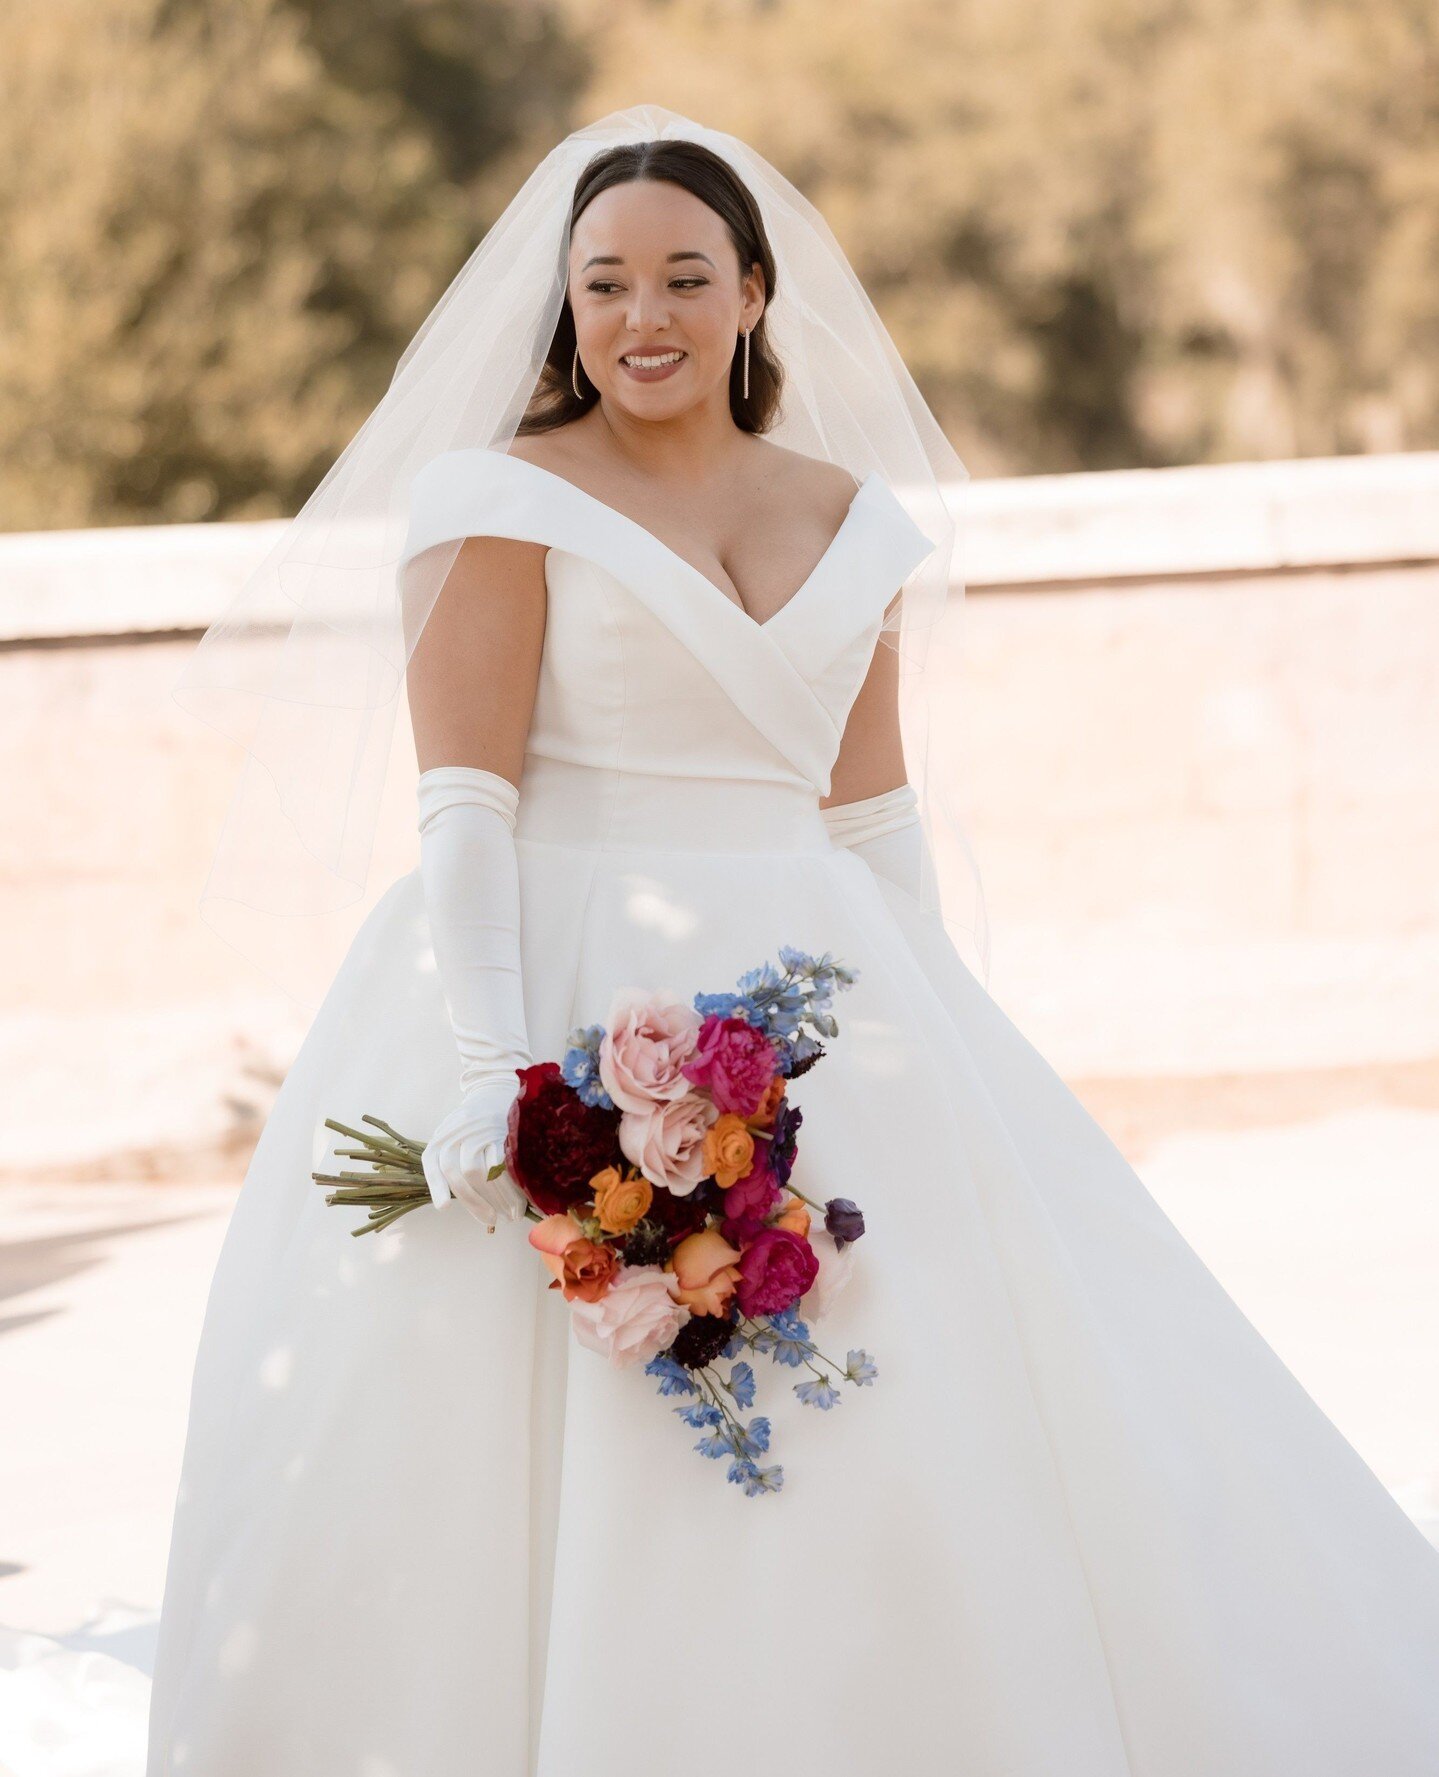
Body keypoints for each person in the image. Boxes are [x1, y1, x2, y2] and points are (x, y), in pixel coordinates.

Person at [12, 106, 1439, 1777]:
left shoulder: (851, 517)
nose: (645, 316)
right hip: (552, 986)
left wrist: (935, 1056)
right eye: (605, 284)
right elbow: (465, 807)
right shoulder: (500, 498)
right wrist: (497, 1083)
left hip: (818, 1014)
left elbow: (873, 819)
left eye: (687, 276)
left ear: (756, 294)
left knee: (922, 1415)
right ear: (565, 311)